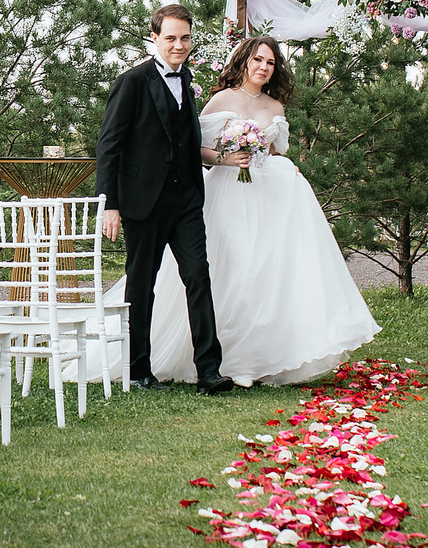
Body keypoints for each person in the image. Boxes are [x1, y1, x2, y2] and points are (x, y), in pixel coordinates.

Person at [124, 34, 378, 385]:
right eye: (258, 60)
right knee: (232, 268)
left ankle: (265, 357)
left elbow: (272, 152)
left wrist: (284, 165)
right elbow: (194, 149)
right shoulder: (221, 100)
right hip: (227, 190)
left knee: (268, 271)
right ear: (244, 61)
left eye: (270, 63)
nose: (263, 67)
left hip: (269, 194)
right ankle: (215, 358)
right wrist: (227, 159)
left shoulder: (276, 107)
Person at [97, 5, 233, 395]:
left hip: (186, 198)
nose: (178, 45)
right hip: (143, 201)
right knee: (142, 284)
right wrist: (110, 204)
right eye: (170, 38)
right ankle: (139, 369)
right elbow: (109, 146)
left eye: (185, 38)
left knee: (198, 277)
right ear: (154, 38)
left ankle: (209, 370)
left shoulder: (186, 78)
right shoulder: (132, 81)